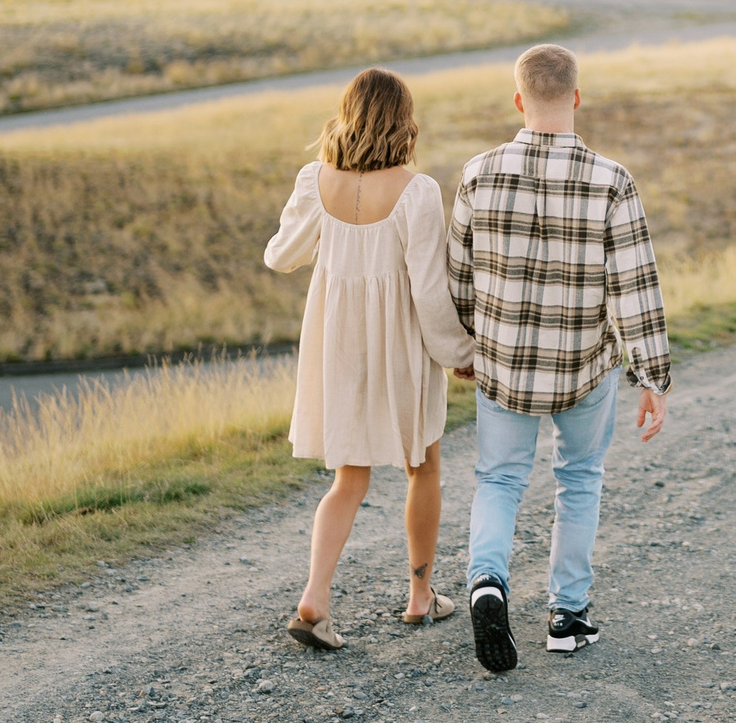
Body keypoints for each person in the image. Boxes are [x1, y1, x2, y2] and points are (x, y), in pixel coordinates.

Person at [450, 42, 671, 673]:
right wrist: (651, 375)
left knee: (499, 479)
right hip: (583, 368)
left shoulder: (478, 172)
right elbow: (635, 284)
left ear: (519, 100)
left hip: (502, 365)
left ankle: (487, 583)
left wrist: (468, 346)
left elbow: (458, 275)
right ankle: (566, 617)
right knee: (579, 478)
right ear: (575, 97)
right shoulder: (612, 180)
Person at [263, 67, 476, 650]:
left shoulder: (315, 179)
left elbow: (281, 256)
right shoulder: (417, 190)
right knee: (422, 467)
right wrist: (458, 353)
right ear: (402, 119)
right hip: (402, 344)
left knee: (348, 479)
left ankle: (315, 599)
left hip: (337, 344)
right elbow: (431, 292)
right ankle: (420, 596)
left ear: (348, 115)